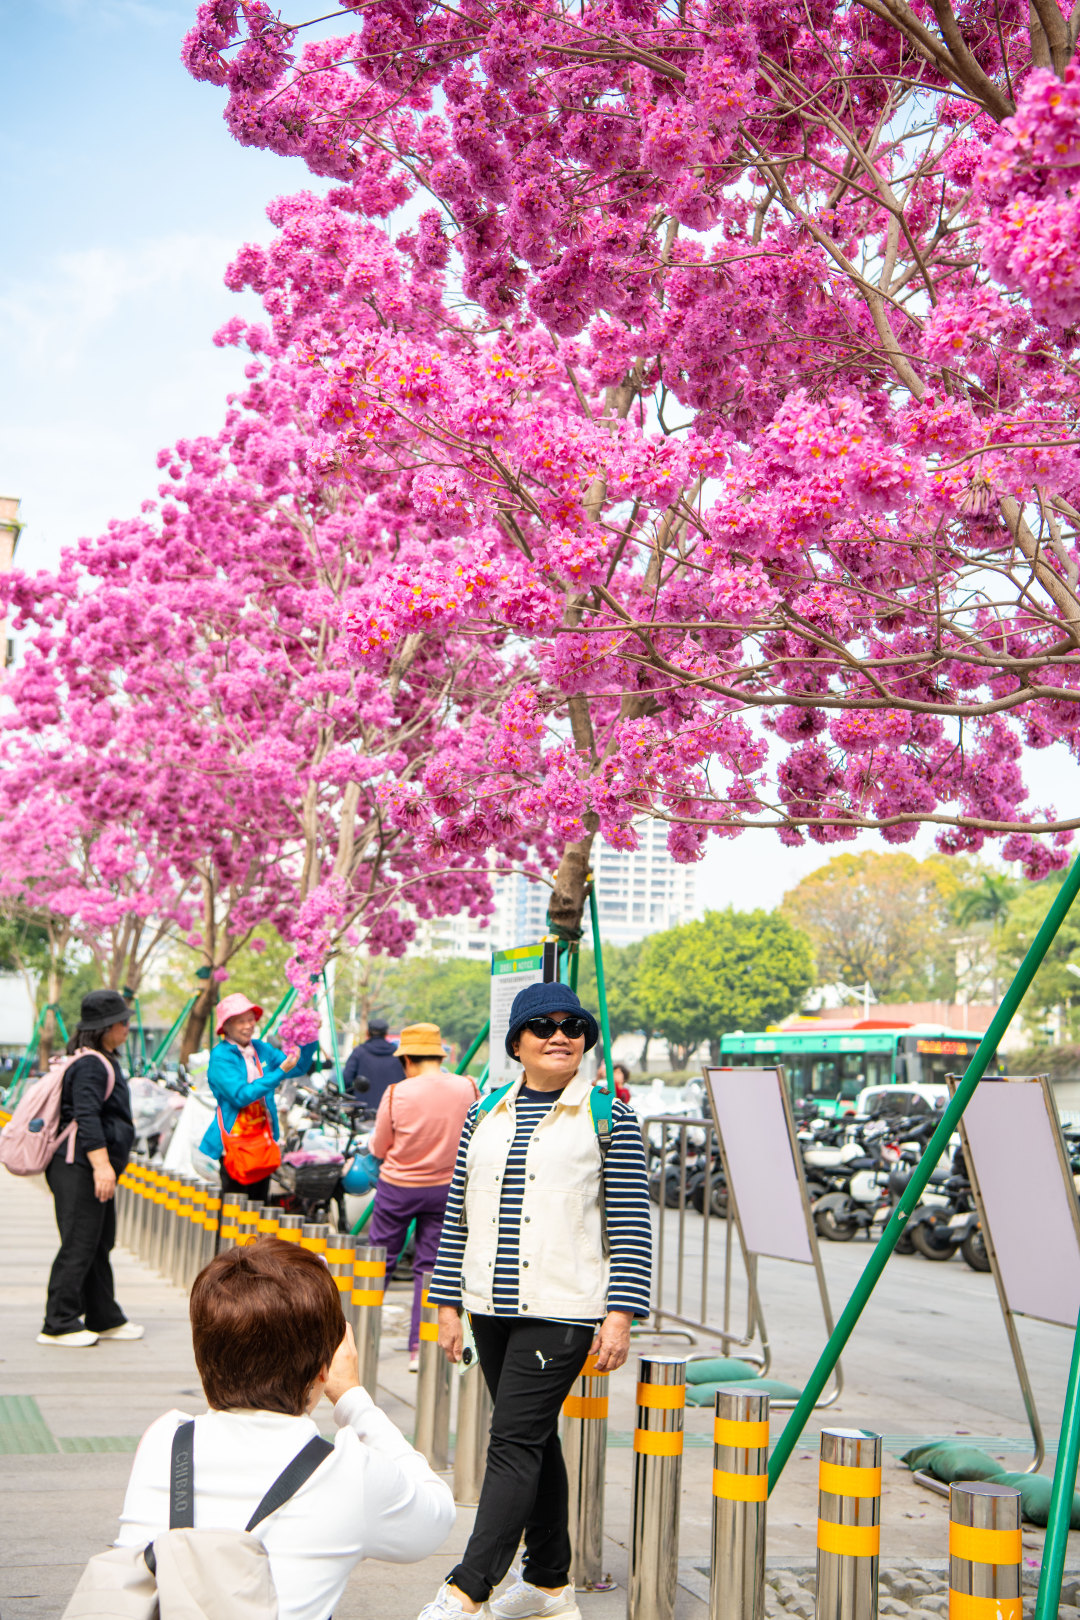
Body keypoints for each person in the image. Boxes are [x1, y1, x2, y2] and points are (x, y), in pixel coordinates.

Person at [421, 983, 653, 1620]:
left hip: (564, 1306)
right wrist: (447, 1305)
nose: (561, 1035)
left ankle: (468, 1588)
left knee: (512, 1441)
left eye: (573, 1026)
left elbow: (631, 1221)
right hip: (490, 1305)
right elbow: (459, 1214)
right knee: (534, 1438)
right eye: (544, 1026)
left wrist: (620, 1313)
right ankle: (550, 1584)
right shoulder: (484, 1113)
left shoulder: (609, 1116)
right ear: (517, 1042)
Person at [112, 1237, 456, 1620]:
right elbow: (437, 1515)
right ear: (324, 1367)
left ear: (202, 1353)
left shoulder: (164, 1440)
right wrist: (352, 1397)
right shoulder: (346, 1471)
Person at [369, 1023, 479, 1371]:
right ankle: (420, 1348)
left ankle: (359, 1340)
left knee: (378, 1262)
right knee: (431, 1268)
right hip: (446, 1189)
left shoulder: (396, 1093)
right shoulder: (468, 1086)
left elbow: (379, 1145)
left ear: (408, 1060)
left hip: (397, 1188)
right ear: (439, 1056)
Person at [39, 989, 141, 1348]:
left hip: (89, 1166)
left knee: (99, 1241)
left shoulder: (101, 1060)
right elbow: (86, 1117)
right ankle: (59, 1321)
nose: (128, 1027)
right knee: (80, 1243)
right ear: (104, 1028)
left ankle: (103, 1316)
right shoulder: (90, 1064)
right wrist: (101, 1166)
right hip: (78, 1167)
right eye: (122, 1022)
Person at [199, 993, 317, 1206]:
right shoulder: (221, 1057)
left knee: (259, 1209)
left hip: (261, 1143)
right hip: (233, 1145)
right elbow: (241, 1095)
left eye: (250, 1019)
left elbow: (297, 1067)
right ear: (226, 1026)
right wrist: (278, 1072)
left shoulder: (261, 1048)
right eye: (241, 1021)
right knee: (234, 1212)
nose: (248, 1026)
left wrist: (309, 1035)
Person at [343, 1016, 401, 1111]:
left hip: (364, 1111)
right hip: (392, 1111)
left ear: (367, 1032)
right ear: (386, 1033)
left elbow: (346, 1079)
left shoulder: (359, 1052)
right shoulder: (398, 1054)